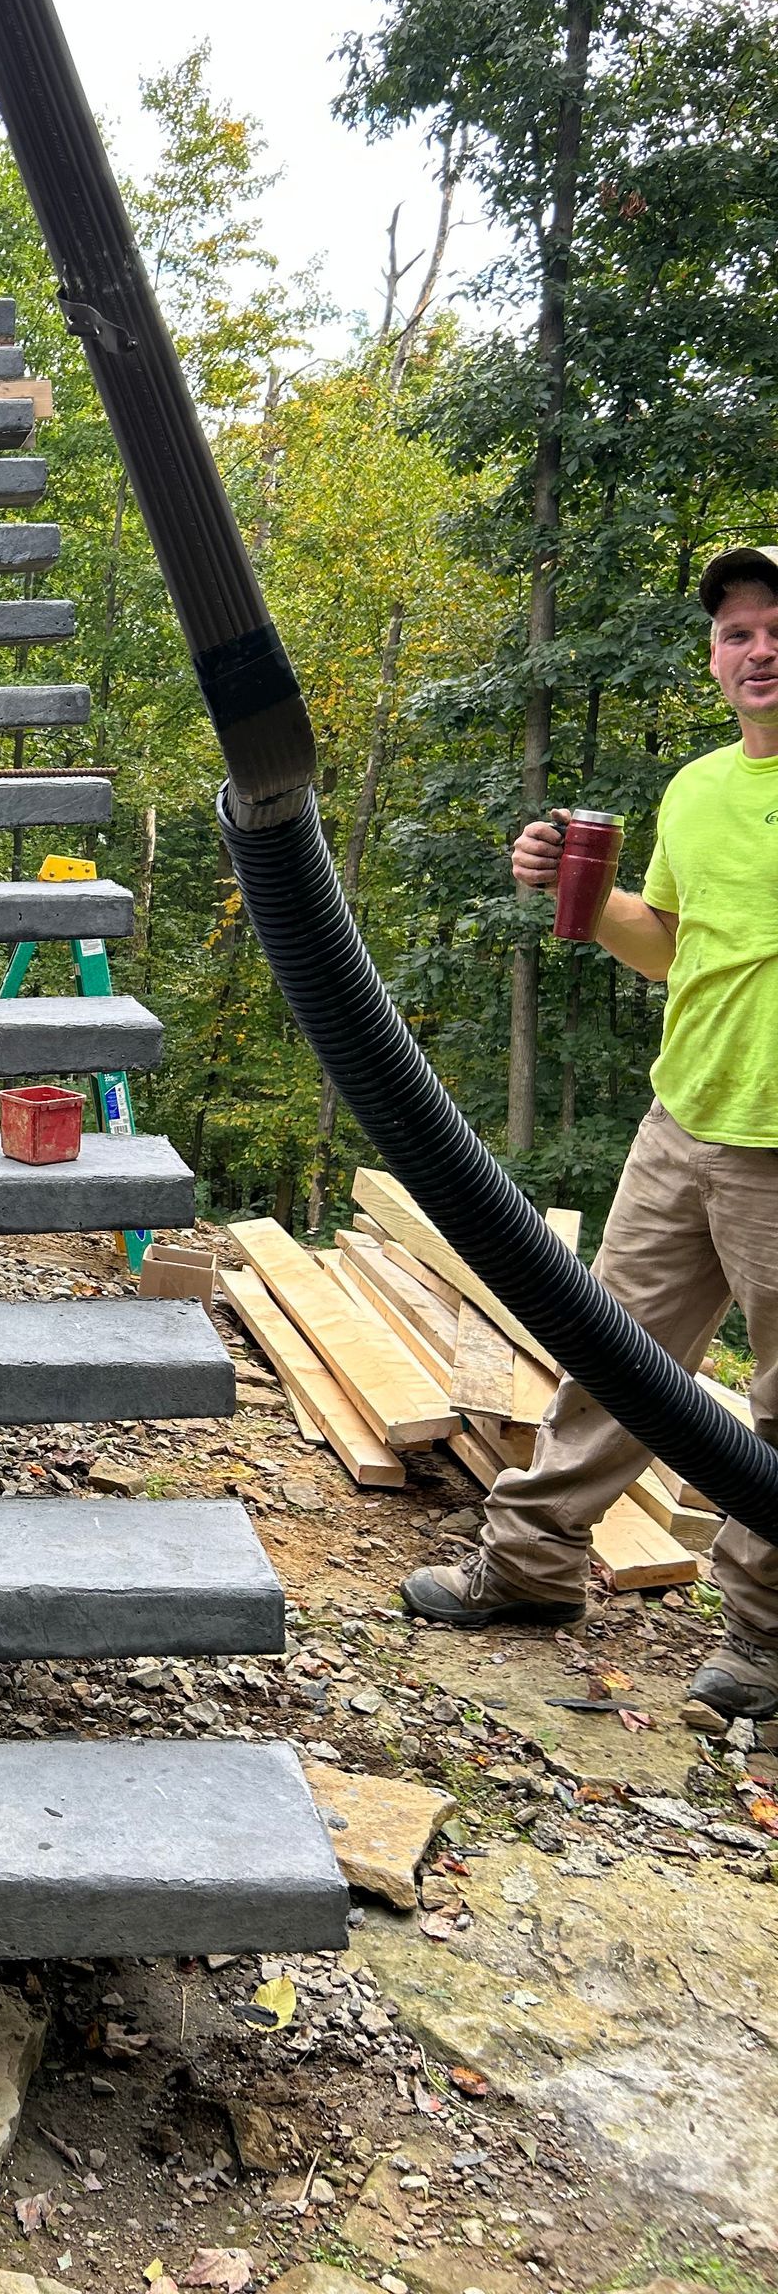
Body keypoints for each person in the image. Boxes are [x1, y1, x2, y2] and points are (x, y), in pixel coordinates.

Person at [402, 545, 778, 1720]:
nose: (760, 650)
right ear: (716, 659)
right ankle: (529, 1570)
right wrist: (569, 888)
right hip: (685, 1119)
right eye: (739, 634)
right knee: (613, 1358)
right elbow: (667, 942)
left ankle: (764, 1642)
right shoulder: (701, 788)